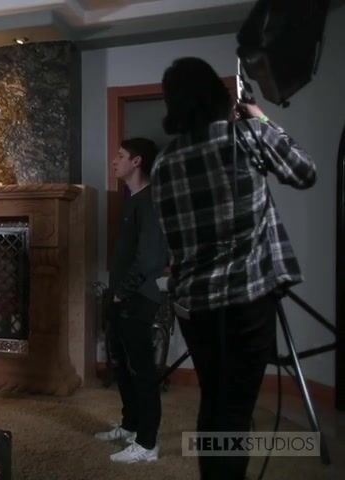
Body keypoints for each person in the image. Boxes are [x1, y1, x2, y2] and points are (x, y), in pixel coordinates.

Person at [151, 57, 316, 480]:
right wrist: (261, 117)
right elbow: (304, 172)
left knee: (215, 399)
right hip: (248, 300)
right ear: (216, 94)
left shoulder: (163, 164)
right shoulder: (248, 136)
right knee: (237, 408)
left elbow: (175, 240)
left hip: (197, 307)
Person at [94, 138, 168, 464]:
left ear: (137, 162)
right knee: (122, 366)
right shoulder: (132, 200)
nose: (114, 161)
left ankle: (148, 443)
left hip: (137, 298)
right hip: (123, 297)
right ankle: (130, 425)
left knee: (141, 371)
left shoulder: (149, 201)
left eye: (121, 156)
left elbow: (150, 258)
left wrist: (123, 291)